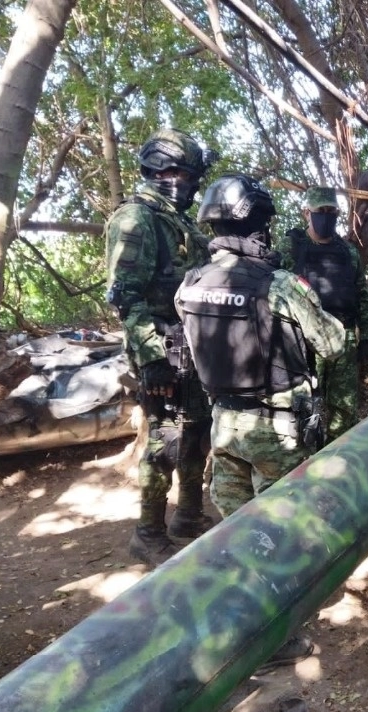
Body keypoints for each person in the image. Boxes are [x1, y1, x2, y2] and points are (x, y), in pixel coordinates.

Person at [177, 173, 346, 665]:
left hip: (223, 426)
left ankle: (238, 625)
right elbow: (333, 343)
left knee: (236, 534)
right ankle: (275, 639)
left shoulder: (191, 284)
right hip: (275, 428)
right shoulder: (279, 285)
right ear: (258, 224)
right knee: (279, 535)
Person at [104, 128, 218, 567]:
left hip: (191, 346)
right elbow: (125, 295)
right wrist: (151, 358)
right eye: (181, 174)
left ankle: (188, 515)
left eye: (190, 176)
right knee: (165, 440)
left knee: (196, 434)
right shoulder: (137, 218)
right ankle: (148, 533)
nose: (186, 184)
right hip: (162, 348)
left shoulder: (177, 219)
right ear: (158, 170)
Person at [279, 186, 368, 442]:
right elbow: (275, 289)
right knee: (300, 405)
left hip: (343, 338)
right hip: (303, 341)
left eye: (332, 212)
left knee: (344, 409)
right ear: (306, 213)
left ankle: (339, 453)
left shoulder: (348, 251)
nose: (327, 216)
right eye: (321, 211)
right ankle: (304, 455)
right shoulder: (291, 247)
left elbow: (361, 293)